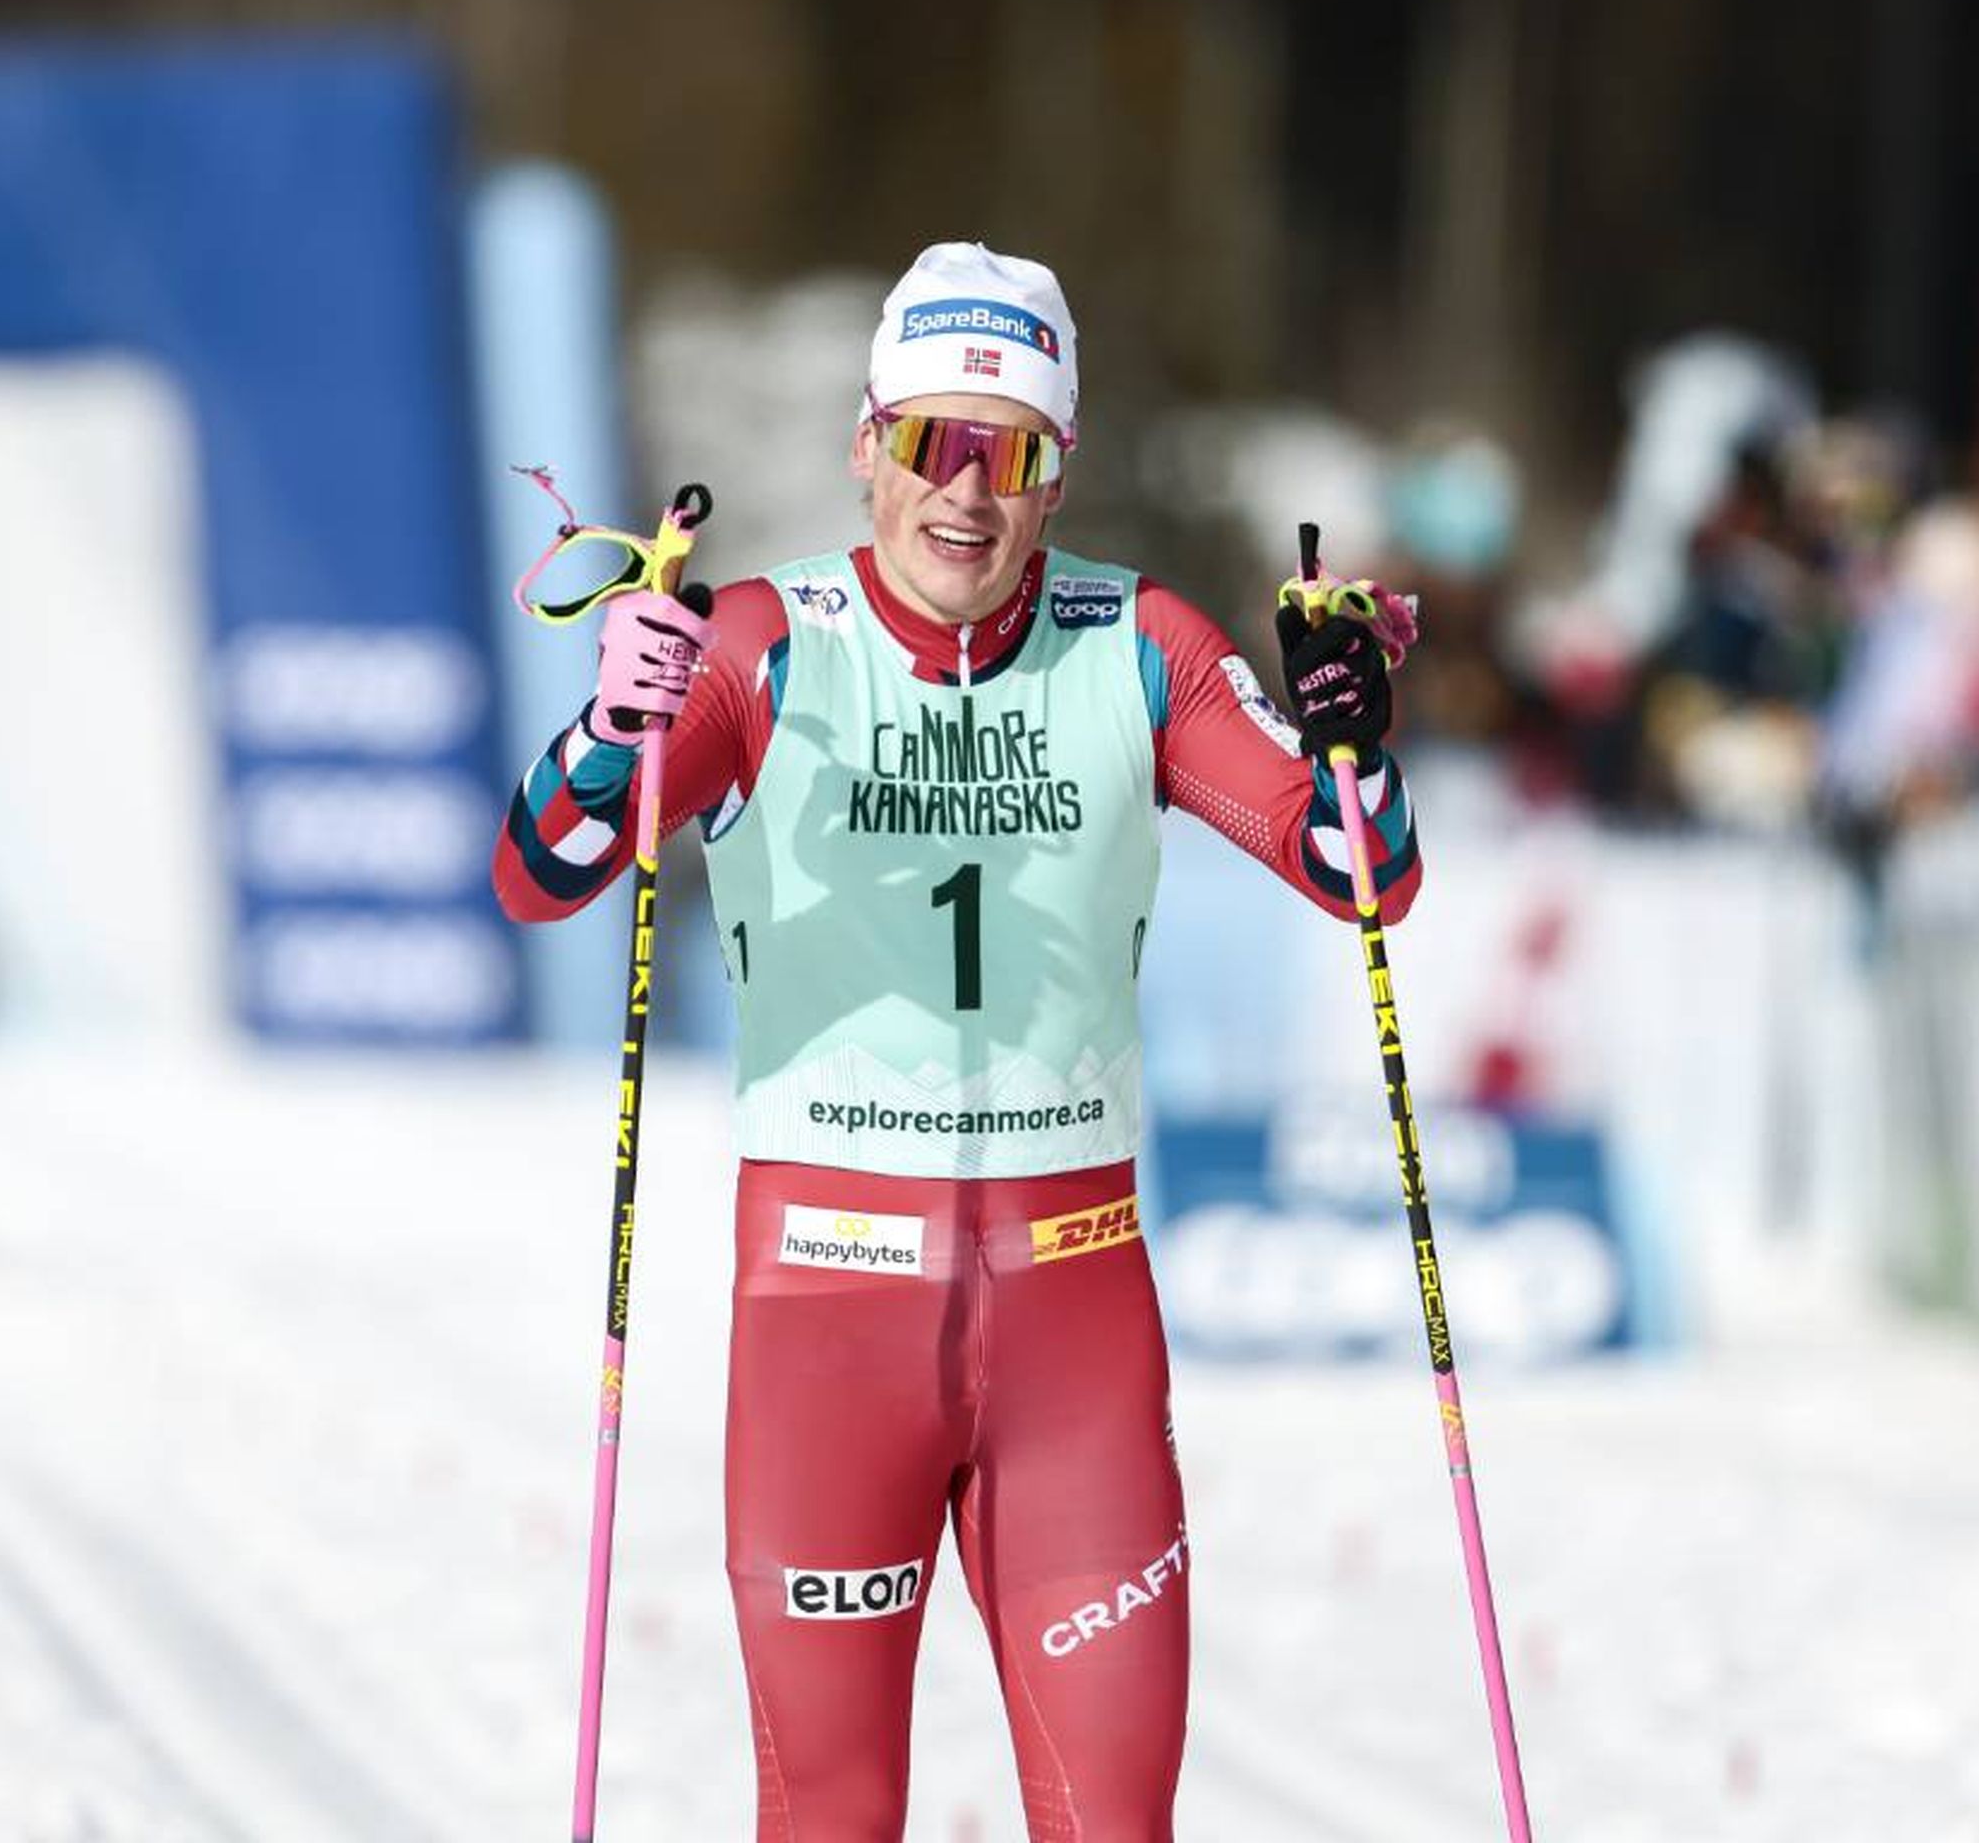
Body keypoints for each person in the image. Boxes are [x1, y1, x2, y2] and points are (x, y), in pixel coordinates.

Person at [494, 241, 1421, 1838]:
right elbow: (543, 877)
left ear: (1062, 473)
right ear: (868, 446)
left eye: (1015, 453)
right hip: (830, 1320)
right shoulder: (762, 646)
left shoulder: (1141, 645)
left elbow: (1363, 875)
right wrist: (603, 737)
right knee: (835, 1815)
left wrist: (1354, 739)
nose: (967, 494)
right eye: (932, 443)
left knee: (1115, 1821)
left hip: (1076, 1333)